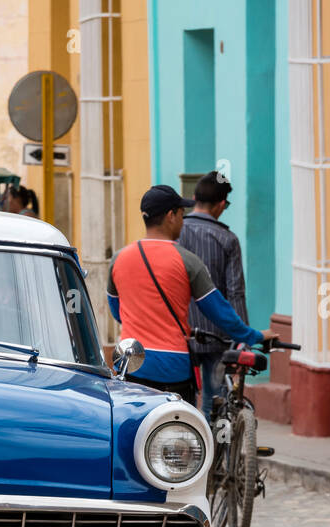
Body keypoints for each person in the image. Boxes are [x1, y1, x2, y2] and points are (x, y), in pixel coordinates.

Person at [106, 184, 275, 406]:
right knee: (181, 429)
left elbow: (117, 311)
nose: (183, 220)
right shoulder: (187, 261)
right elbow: (221, 314)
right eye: (181, 214)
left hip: (131, 361)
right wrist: (254, 335)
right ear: (171, 216)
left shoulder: (119, 259)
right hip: (172, 366)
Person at [179, 171, 249, 417]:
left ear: (194, 197)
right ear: (221, 204)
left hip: (181, 331)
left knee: (181, 400)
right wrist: (241, 337)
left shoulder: (176, 232)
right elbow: (235, 292)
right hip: (215, 335)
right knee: (213, 400)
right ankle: (212, 450)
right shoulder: (227, 239)